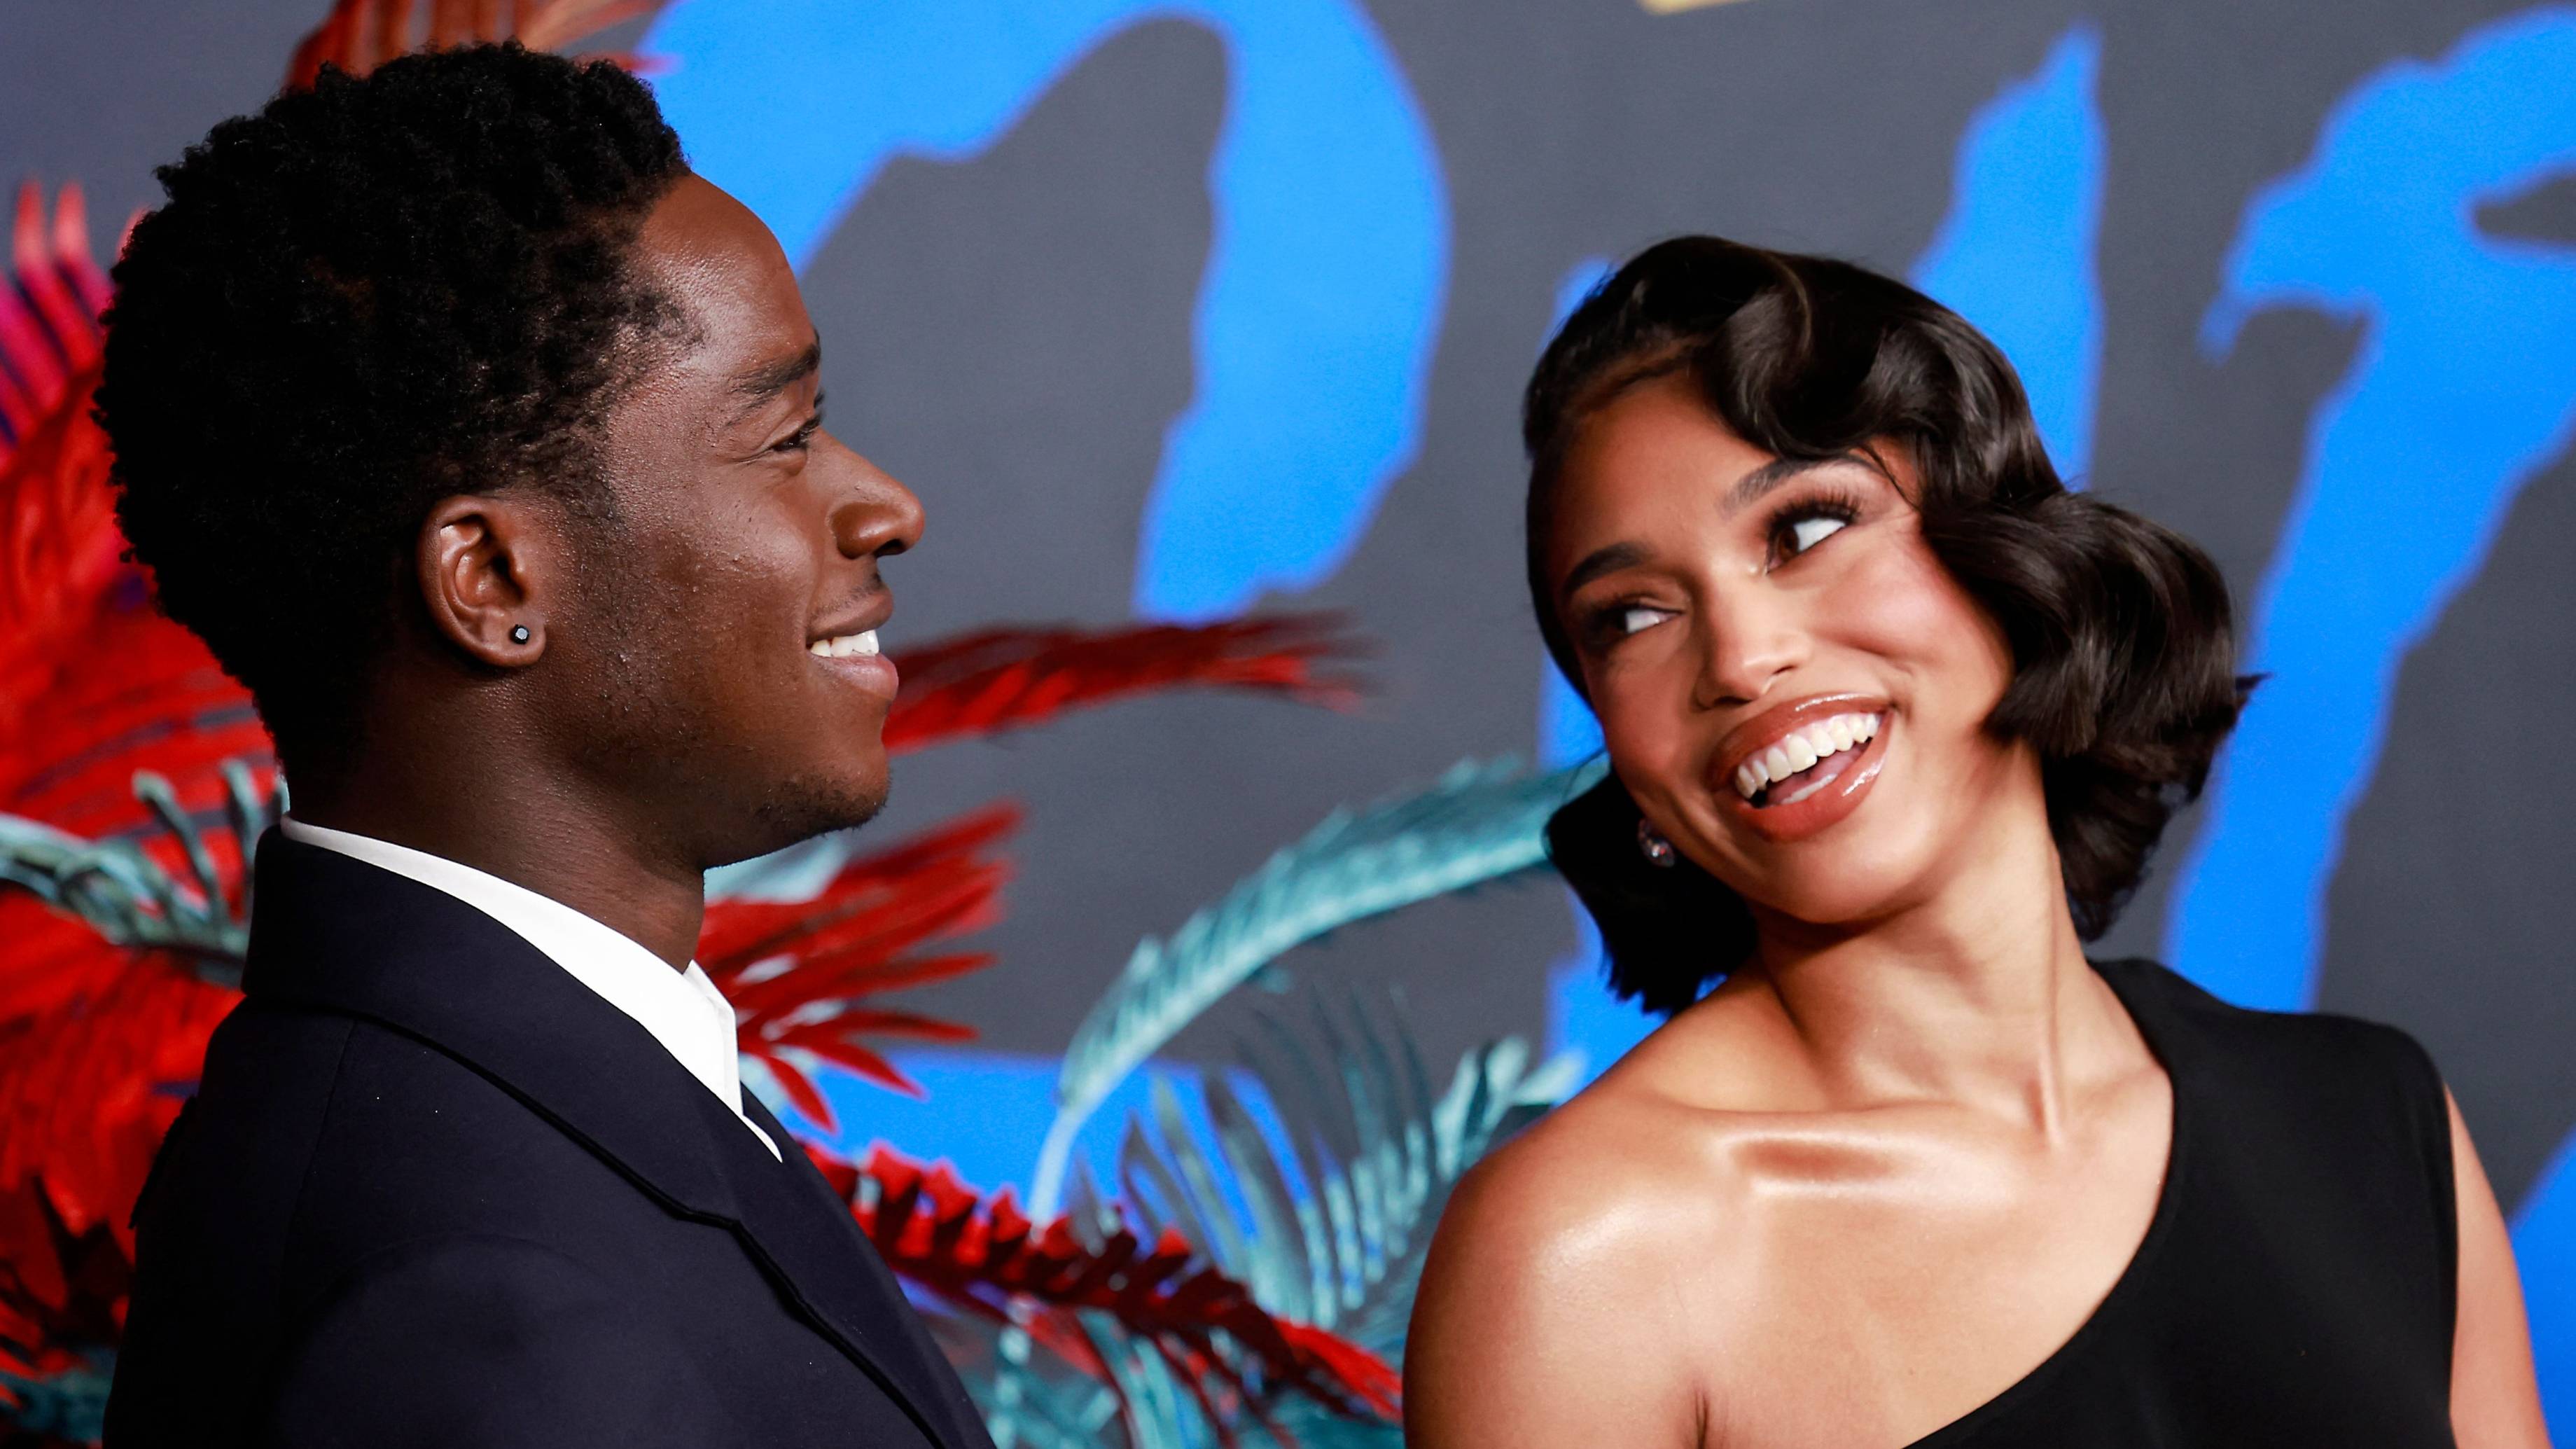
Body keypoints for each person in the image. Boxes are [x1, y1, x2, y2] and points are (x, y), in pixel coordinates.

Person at [1404, 237, 2549, 1448]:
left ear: (2003, 553)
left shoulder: (2370, 1121)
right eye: (1632, 615)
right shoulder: (1589, 1259)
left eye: (1801, 529)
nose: (1740, 659)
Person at [97, 45, 991, 1449]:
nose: (885, 506)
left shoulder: (510, 1116)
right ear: (495, 582)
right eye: (784, 436)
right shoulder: (480, 1304)